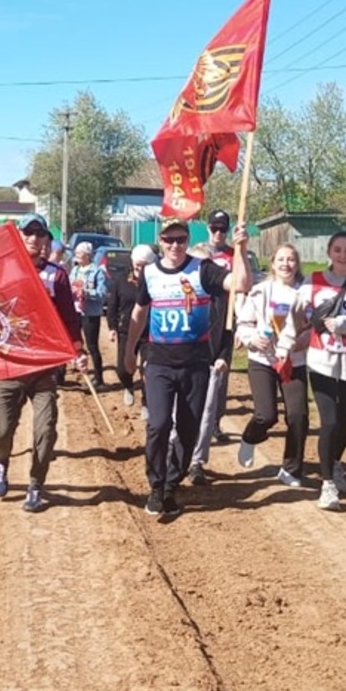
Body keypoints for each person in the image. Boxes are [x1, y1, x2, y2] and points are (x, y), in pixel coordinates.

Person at [122, 216, 251, 519]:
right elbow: (140, 312)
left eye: (181, 239)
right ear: (161, 241)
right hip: (159, 363)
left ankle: (171, 483)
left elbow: (241, 284)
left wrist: (242, 250)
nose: (175, 245)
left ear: (187, 241)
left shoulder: (202, 269)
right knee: (158, 424)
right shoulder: (150, 273)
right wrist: (130, 350)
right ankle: (156, 485)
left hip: (195, 364)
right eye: (169, 239)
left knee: (189, 428)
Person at [275, 230, 346, 511]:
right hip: (321, 359)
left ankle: (335, 462)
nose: (343, 255)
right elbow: (294, 317)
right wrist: (285, 347)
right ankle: (327, 486)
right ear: (329, 252)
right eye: (337, 249)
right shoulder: (313, 282)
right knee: (330, 422)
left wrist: (345, 323)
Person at [0, 213, 85, 513]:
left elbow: (69, 318)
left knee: (45, 431)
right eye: (28, 233)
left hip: (43, 369)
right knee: (2, 430)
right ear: (19, 236)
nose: (33, 238)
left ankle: (35, 485)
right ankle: (1, 463)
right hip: (9, 365)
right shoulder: (2, 272)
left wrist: (78, 350)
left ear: (46, 239)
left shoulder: (56, 276)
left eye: (39, 233)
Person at [234, 242, 310, 486]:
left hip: (293, 361)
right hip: (262, 360)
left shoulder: (306, 292)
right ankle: (249, 438)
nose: (286, 264)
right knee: (266, 416)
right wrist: (251, 338)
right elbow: (244, 324)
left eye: (290, 260)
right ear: (273, 264)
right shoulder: (261, 291)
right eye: (281, 260)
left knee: (298, 415)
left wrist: (300, 342)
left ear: (297, 264)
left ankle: (291, 469)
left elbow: (313, 327)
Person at [187, 209, 237, 485]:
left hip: (221, 330)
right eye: (214, 227)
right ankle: (175, 450)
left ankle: (197, 461)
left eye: (223, 228)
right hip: (183, 346)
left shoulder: (234, 256)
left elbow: (243, 286)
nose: (219, 232)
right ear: (207, 227)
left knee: (210, 401)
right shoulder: (194, 255)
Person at [107, 243, 154, 409]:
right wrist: (112, 326)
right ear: (132, 262)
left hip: (150, 331)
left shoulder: (155, 280)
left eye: (145, 265)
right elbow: (113, 304)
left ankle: (146, 401)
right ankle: (128, 385)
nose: (141, 268)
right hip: (126, 329)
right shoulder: (121, 279)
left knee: (148, 369)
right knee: (123, 368)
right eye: (138, 264)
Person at [70, 241, 108, 385]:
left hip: (91, 313)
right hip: (75, 311)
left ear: (87, 255)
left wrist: (85, 293)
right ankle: (70, 368)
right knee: (73, 341)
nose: (77, 256)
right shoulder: (75, 271)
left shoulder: (97, 272)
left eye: (80, 253)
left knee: (92, 345)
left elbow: (102, 294)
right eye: (77, 253)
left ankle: (99, 377)